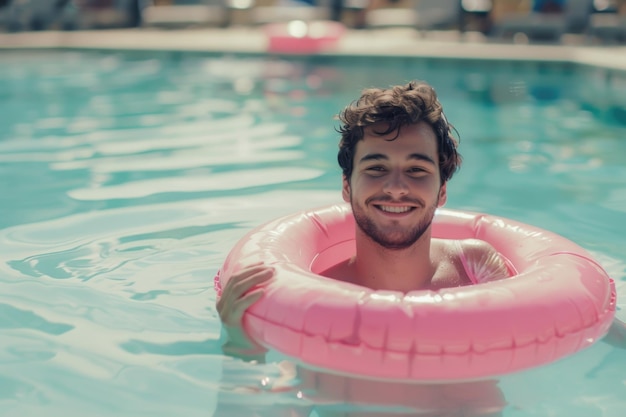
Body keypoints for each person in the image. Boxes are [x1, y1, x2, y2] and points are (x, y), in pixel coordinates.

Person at [217, 79, 510, 356]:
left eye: (417, 170)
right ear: (347, 186)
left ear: (442, 191)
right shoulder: (318, 298)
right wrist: (240, 344)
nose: (396, 188)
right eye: (376, 169)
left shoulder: (476, 269)